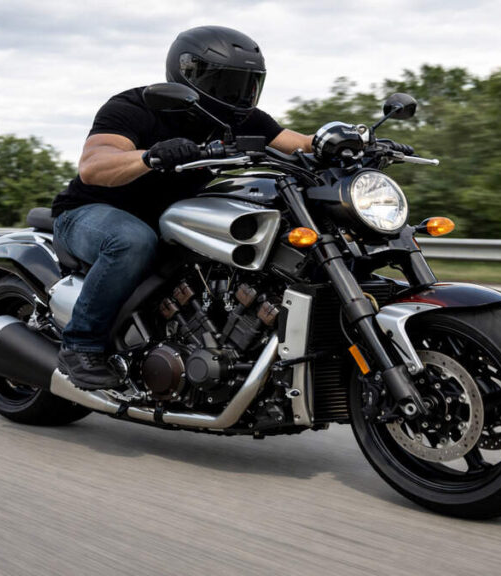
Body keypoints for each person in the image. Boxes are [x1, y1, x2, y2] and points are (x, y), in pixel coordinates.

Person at [50, 26, 313, 390]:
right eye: (225, 83)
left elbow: (301, 145)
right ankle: (80, 345)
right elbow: (94, 166)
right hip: (90, 212)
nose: (237, 95)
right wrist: (150, 156)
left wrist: (350, 140)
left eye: (247, 84)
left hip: (170, 220)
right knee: (133, 241)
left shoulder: (244, 120)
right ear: (188, 74)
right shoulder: (137, 106)